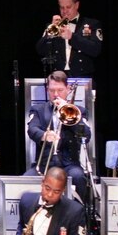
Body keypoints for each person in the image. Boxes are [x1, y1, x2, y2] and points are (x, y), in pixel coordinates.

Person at [25, 71, 91, 205]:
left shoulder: (79, 111)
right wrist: (44, 135)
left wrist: (67, 111)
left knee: (79, 177)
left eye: (60, 90)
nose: (56, 94)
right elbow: (32, 129)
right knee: (25, 181)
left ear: (68, 89)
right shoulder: (37, 109)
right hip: (44, 165)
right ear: (47, 90)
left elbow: (86, 135)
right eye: (52, 90)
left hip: (69, 165)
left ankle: (80, 217)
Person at [35, 0, 103, 77]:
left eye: (68, 7)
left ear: (77, 5)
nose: (65, 11)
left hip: (82, 76)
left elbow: (96, 50)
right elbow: (40, 50)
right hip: (58, 78)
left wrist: (72, 37)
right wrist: (49, 33)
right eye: (62, 7)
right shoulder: (53, 25)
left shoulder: (91, 24)